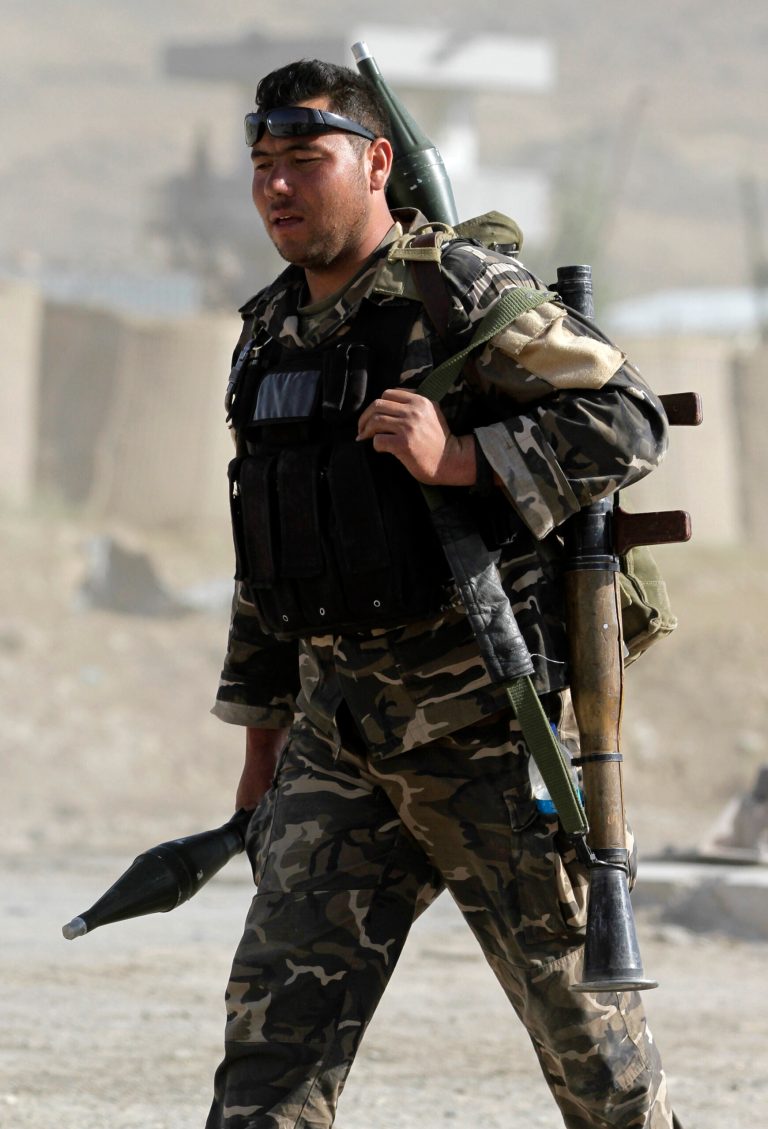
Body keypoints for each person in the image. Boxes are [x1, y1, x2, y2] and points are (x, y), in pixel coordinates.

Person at [206, 58, 676, 1129]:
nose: (278, 187)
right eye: (263, 166)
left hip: (485, 738)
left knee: (599, 1067)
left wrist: (458, 456)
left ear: (377, 164)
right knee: (269, 1063)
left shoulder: (455, 290)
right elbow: (266, 552)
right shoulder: (270, 330)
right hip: (339, 743)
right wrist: (261, 757)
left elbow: (629, 419)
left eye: (305, 161)